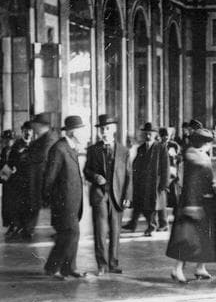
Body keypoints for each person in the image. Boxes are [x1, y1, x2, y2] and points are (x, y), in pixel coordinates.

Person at [166, 128, 216, 283]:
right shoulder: (194, 159)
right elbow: (191, 184)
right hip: (194, 204)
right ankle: (177, 269)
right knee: (188, 239)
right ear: (204, 144)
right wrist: (192, 206)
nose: (210, 146)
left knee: (205, 238)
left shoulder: (200, 156)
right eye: (209, 143)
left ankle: (200, 267)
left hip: (206, 203)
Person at [84, 114, 132, 276]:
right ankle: (102, 265)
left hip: (117, 196)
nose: (104, 132)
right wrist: (95, 176)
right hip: (100, 195)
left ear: (114, 130)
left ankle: (113, 263)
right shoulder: (93, 150)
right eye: (102, 129)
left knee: (116, 231)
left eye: (107, 129)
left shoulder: (124, 151)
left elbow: (129, 175)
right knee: (100, 231)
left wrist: (128, 196)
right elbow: (86, 170)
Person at [43, 115, 87, 280]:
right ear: (72, 132)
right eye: (81, 130)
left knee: (70, 234)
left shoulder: (71, 147)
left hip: (72, 201)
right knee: (70, 233)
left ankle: (66, 268)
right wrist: (53, 200)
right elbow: (49, 178)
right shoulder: (59, 149)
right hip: (63, 202)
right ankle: (55, 268)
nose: (84, 134)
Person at [123, 123, 169, 236]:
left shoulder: (161, 147)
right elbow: (136, 164)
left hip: (156, 183)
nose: (148, 136)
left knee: (153, 205)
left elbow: (165, 167)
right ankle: (142, 224)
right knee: (144, 205)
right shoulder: (141, 148)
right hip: (143, 182)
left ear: (155, 134)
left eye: (150, 134)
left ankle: (152, 226)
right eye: (146, 134)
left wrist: (164, 184)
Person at [26, 112, 59, 238]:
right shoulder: (42, 138)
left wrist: (28, 158)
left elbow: (44, 156)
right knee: (34, 203)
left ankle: (59, 230)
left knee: (50, 204)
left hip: (44, 176)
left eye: (34, 125)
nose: (33, 127)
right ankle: (29, 228)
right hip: (37, 177)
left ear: (40, 125)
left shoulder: (50, 138)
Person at [2, 122, 33, 239]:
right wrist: (4, 180)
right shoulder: (16, 146)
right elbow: (10, 163)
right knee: (18, 205)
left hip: (30, 181)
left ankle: (27, 228)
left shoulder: (35, 146)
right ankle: (16, 226)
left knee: (29, 206)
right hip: (18, 182)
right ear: (22, 131)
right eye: (26, 130)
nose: (28, 133)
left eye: (30, 130)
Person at [159, 127, 181, 224]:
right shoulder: (159, 146)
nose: (166, 137)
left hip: (173, 173)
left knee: (175, 196)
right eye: (163, 136)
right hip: (163, 174)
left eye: (167, 136)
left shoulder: (174, 145)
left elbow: (179, 157)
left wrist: (175, 157)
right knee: (164, 197)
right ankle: (163, 219)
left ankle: (177, 215)